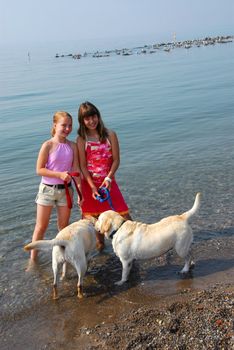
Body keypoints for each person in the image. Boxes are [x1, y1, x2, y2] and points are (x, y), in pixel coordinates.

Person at [77, 101, 131, 251]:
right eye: (87, 119)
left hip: (108, 183)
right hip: (90, 185)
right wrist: (92, 186)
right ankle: (101, 250)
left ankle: (132, 244)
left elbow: (116, 160)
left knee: (124, 215)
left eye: (93, 116)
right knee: (96, 221)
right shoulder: (81, 140)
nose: (91, 121)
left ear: (98, 116)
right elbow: (82, 166)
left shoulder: (110, 135)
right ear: (82, 121)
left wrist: (108, 178)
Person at [29, 111, 82, 261]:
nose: (67, 129)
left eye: (70, 125)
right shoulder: (48, 145)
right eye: (63, 125)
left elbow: (76, 169)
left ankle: (62, 258)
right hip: (47, 190)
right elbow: (39, 169)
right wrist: (59, 175)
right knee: (41, 227)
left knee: (64, 228)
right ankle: (33, 260)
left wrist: (80, 194)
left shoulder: (73, 146)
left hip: (66, 191)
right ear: (55, 125)